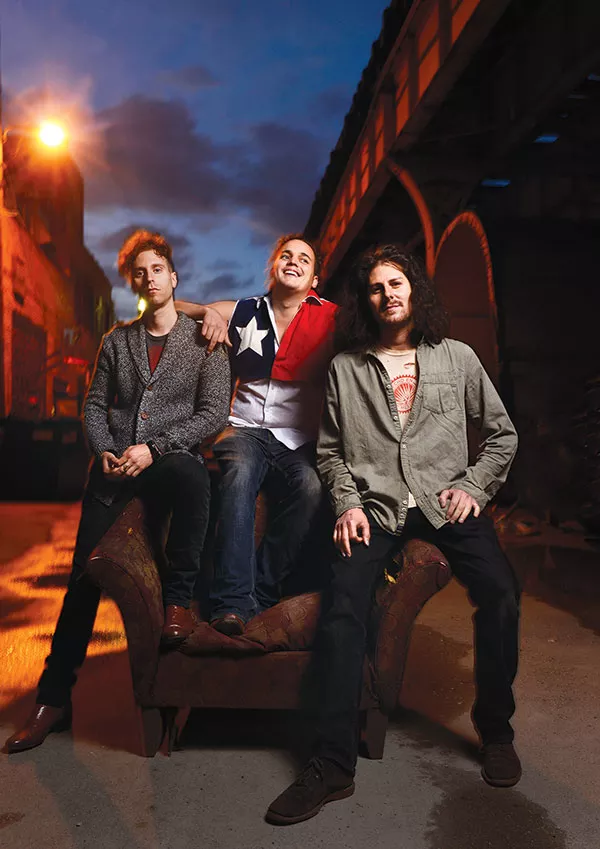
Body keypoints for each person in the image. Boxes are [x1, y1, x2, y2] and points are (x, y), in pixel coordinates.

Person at [266, 244, 521, 825]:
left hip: (444, 503)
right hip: (376, 508)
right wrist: (347, 505)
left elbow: (501, 435)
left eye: (396, 283)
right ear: (367, 300)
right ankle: (332, 764)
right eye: (377, 287)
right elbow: (331, 454)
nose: (388, 295)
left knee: (502, 593)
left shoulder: (456, 358)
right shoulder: (345, 368)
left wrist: (474, 487)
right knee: (342, 609)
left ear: (414, 290)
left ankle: (496, 730)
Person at [5, 230, 231, 754]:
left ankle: (179, 605)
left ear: (174, 278)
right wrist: (104, 449)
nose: (149, 279)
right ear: (134, 284)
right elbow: (94, 405)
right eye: (140, 273)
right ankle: (53, 701)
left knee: (194, 477)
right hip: (113, 472)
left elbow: (213, 414)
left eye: (157, 270)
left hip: (168, 462)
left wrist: (155, 447)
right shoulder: (117, 340)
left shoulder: (205, 341)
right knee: (83, 577)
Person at [176, 234, 336, 636]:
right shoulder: (245, 309)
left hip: (297, 438)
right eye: (286, 255)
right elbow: (171, 307)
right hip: (244, 429)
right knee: (240, 473)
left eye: (304, 259)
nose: (294, 262)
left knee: (312, 488)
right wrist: (206, 312)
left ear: (315, 279)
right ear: (273, 266)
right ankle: (230, 604)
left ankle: (261, 594)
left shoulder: (332, 318)